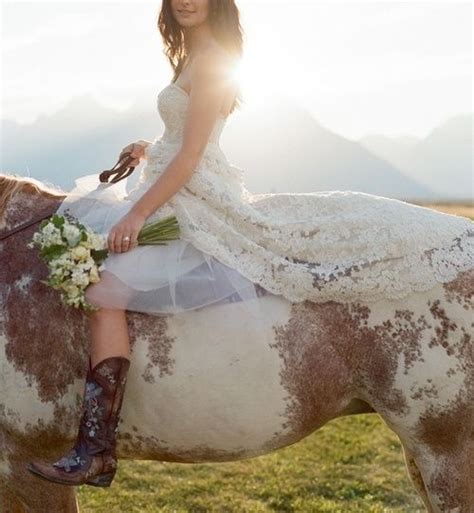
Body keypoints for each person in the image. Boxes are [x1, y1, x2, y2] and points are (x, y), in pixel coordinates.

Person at [27, 0, 474, 489]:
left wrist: (137, 213)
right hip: (182, 184)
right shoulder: (196, 57)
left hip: (194, 195)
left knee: (102, 293)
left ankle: (95, 447)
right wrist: (150, 148)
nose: (185, 0)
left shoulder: (215, 59)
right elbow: (184, 140)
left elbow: (195, 155)